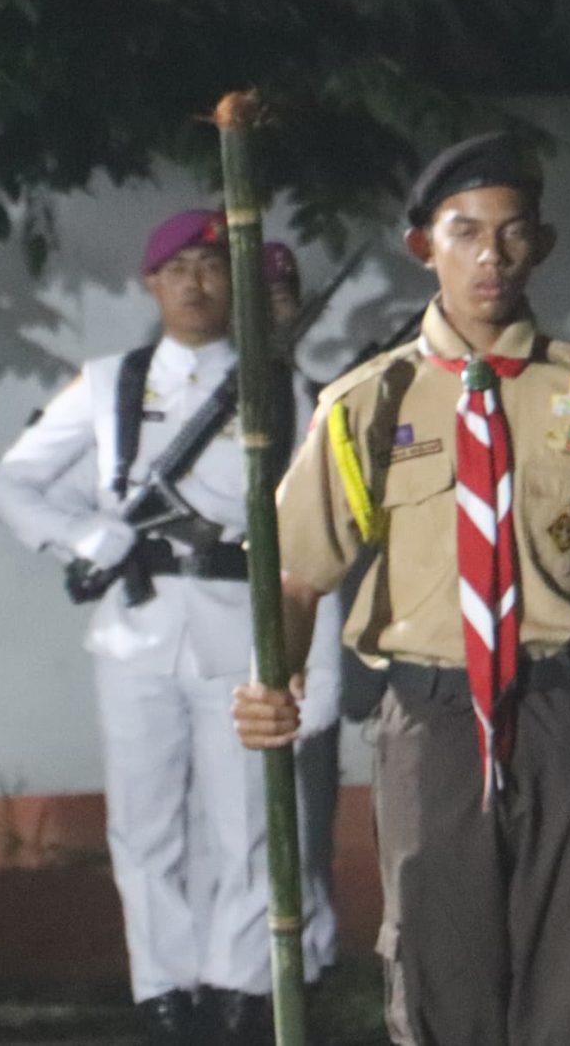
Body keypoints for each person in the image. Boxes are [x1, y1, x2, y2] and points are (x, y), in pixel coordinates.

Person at [235, 133, 570, 1046]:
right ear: (424, 247)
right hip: (432, 721)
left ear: (543, 244)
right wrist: (272, 682)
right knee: (441, 983)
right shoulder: (366, 403)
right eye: (466, 231)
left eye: (513, 232)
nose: (492, 255)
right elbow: (297, 574)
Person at [0, 210, 331, 1046]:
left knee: (245, 819)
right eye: (177, 268)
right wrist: (95, 536)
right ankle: (164, 988)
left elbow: (315, 530)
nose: (195, 283)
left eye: (212, 267)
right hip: (136, 624)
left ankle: (238, 981)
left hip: (238, 625)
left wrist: (308, 664)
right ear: (151, 283)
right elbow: (14, 483)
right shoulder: (107, 382)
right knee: (144, 823)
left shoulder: (283, 387)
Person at [258, 240, 341, 987]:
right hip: (216, 603)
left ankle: (311, 952)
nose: (272, 312)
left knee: (308, 781)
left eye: (284, 298)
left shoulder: (325, 401)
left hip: (308, 596)